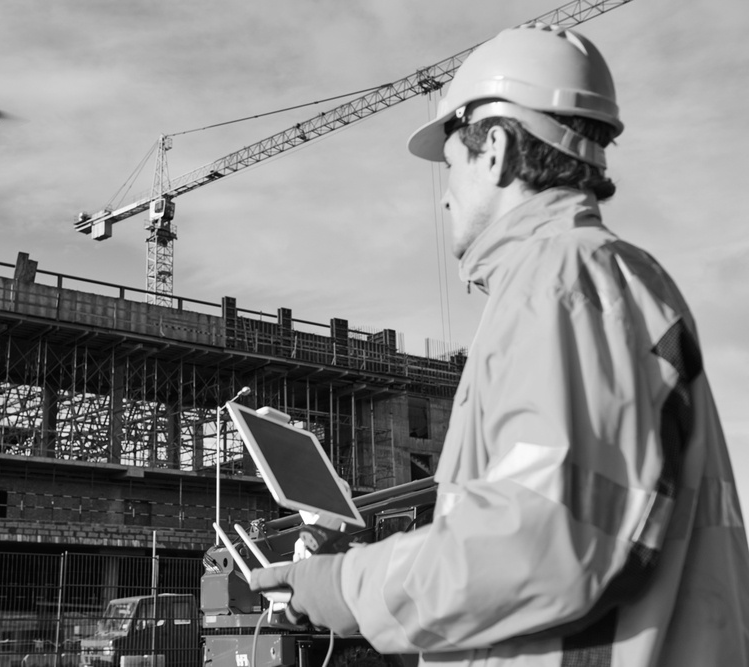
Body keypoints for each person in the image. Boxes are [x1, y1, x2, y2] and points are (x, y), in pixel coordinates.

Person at [251, 22, 749, 666]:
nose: (445, 199)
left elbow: (542, 540)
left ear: (495, 150)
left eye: (450, 164)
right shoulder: (610, 278)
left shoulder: (559, 282)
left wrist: (349, 585)